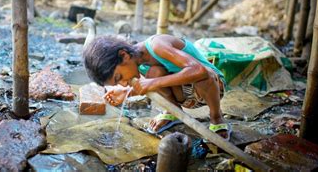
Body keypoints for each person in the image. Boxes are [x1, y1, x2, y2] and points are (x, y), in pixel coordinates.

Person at [83, 34, 231, 139]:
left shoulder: (157, 45)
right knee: (154, 72)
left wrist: (151, 83)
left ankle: (216, 117)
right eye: (117, 83)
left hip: (212, 87)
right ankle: (173, 111)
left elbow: (199, 71)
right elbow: (149, 84)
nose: (123, 83)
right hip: (185, 96)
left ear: (124, 55)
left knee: (204, 75)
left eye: (119, 77)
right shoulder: (136, 64)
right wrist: (127, 93)